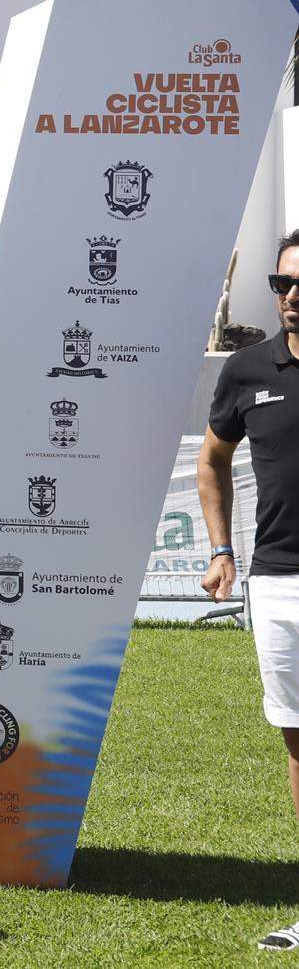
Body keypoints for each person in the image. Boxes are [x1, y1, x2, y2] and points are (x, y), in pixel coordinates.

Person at [200, 228, 299, 952]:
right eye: (281, 283)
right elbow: (211, 464)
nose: (291, 296)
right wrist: (219, 549)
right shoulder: (245, 369)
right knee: (298, 746)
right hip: (279, 585)